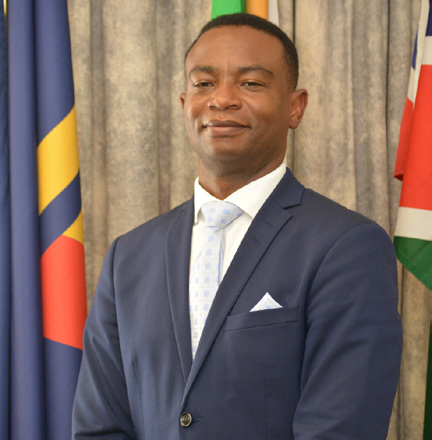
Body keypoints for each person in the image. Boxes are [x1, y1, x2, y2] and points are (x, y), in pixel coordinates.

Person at [72, 13, 402, 440]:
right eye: (203, 83)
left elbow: (339, 429)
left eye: (250, 83)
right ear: (184, 103)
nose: (221, 99)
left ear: (295, 107)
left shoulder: (348, 246)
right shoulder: (127, 256)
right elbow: (100, 426)